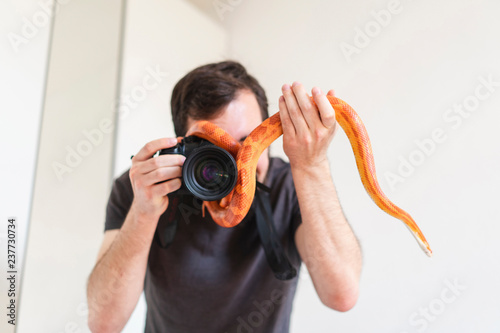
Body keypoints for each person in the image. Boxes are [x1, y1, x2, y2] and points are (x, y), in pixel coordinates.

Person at [86, 61, 362, 333]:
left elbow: (341, 294)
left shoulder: (295, 183)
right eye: (214, 150)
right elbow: (104, 324)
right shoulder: (143, 188)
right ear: (183, 144)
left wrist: (312, 165)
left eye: (249, 141)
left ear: (268, 133)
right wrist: (143, 213)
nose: (236, 164)